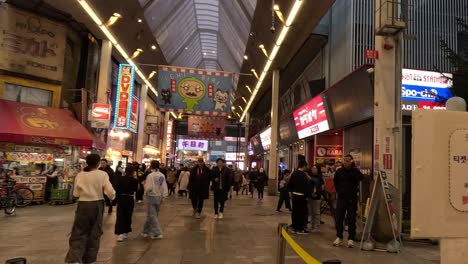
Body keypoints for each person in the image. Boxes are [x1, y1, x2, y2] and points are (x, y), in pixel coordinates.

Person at [65, 154, 116, 264]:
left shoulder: (80, 175)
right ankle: (89, 259)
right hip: (97, 204)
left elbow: (76, 193)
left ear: (86, 163)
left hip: (82, 205)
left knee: (78, 232)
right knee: (94, 233)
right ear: (98, 163)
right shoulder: (102, 174)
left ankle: (74, 259)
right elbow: (110, 191)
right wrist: (113, 197)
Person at [333, 154, 364, 248]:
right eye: (345, 160)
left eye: (348, 160)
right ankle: (339, 237)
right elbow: (335, 182)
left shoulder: (355, 171)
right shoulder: (339, 171)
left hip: (352, 198)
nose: (346, 162)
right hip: (341, 198)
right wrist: (339, 191)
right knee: (339, 218)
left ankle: (351, 238)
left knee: (351, 218)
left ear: (351, 161)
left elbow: (361, 178)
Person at [142, 160, 168, 240]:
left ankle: (157, 233)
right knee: (153, 214)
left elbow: (149, 187)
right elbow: (164, 186)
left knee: (152, 215)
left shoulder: (150, 176)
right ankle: (145, 231)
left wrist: (144, 188)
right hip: (159, 197)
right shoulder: (161, 175)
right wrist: (164, 196)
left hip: (151, 196)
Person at [287, 160, 311, 235]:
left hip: (294, 195)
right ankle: (300, 228)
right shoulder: (304, 175)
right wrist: (308, 195)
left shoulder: (294, 174)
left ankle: (294, 227)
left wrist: (290, 192)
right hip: (302, 196)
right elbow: (306, 187)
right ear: (304, 166)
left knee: (295, 212)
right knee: (302, 212)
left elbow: (290, 184)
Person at [115, 167, 138, 241]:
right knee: (128, 215)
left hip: (121, 198)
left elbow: (117, 188)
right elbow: (135, 189)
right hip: (130, 198)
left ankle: (120, 233)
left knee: (120, 215)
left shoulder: (120, 178)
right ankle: (126, 232)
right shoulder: (134, 180)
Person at [308, 165, 324, 232]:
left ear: (318, 170)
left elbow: (319, 185)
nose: (313, 169)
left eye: (314, 168)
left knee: (316, 212)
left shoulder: (319, 178)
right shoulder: (311, 176)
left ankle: (316, 226)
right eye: (312, 168)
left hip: (317, 197)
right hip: (310, 196)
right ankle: (312, 225)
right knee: (311, 212)